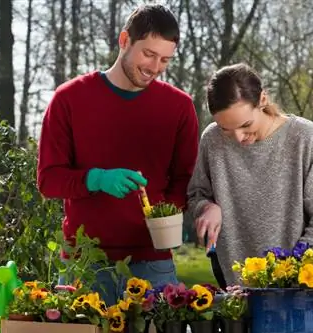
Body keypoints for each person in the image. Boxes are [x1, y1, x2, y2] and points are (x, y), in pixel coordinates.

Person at [37, 4, 199, 305]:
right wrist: (95, 179)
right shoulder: (69, 99)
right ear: (124, 40)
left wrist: (164, 212)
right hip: (83, 264)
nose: (155, 67)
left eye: (164, 59)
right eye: (148, 54)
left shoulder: (179, 107)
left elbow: (185, 180)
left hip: (153, 264)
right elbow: (48, 179)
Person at [187, 63, 313, 287]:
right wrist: (206, 207)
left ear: (263, 100)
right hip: (238, 285)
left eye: (246, 124)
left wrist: (289, 277)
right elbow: (197, 194)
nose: (238, 137)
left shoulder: (304, 137)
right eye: (226, 129)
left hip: (303, 284)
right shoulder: (212, 139)